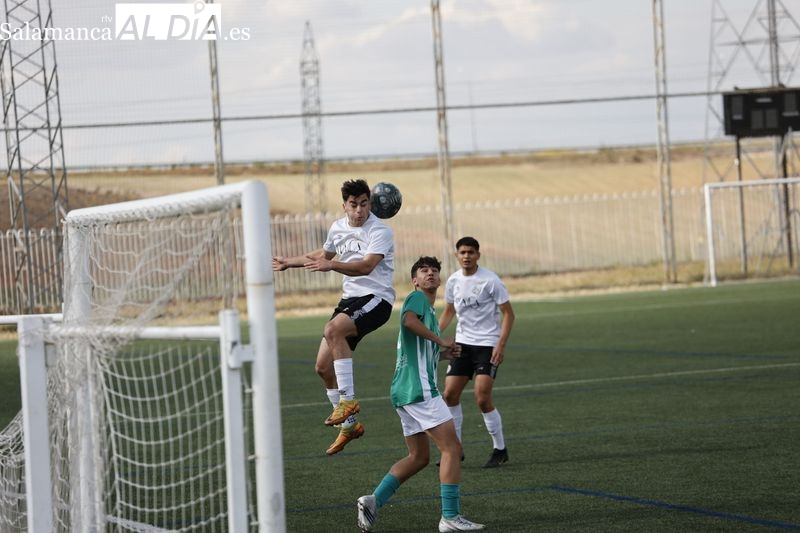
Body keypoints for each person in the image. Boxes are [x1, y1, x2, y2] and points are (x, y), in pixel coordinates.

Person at [357, 256, 485, 533]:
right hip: (420, 390)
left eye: (434, 271)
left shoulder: (428, 313)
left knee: (419, 457)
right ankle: (450, 517)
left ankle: (373, 500)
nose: (430, 274)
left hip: (404, 391)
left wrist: (443, 353)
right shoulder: (417, 301)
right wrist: (440, 340)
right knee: (452, 448)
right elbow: (406, 321)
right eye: (424, 271)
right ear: (415, 280)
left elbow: (420, 351)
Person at [272, 179, 395, 455]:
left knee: (332, 329)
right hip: (350, 301)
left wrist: (332, 265)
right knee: (322, 368)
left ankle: (348, 402)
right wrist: (289, 262)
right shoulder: (338, 228)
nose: (359, 210)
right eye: (354, 205)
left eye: (364, 204)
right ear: (344, 206)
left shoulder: (380, 231)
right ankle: (350, 426)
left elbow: (366, 267)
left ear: (370, 204)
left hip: (376, 299)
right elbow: (323, 254)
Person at [438, 236, 515, 468]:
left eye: (471, 252)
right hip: (462, 345)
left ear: (478, 255)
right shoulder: (453, 281)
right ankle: (455, 449)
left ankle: (500, 449)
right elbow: (449, 311)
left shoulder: (490, 281)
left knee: (482, 398)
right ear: (456, 255)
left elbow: (509, 314)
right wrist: (434, 335)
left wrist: (500, 345)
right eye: (462, 252)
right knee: (449, 395)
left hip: (487, 346)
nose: (466, 256)